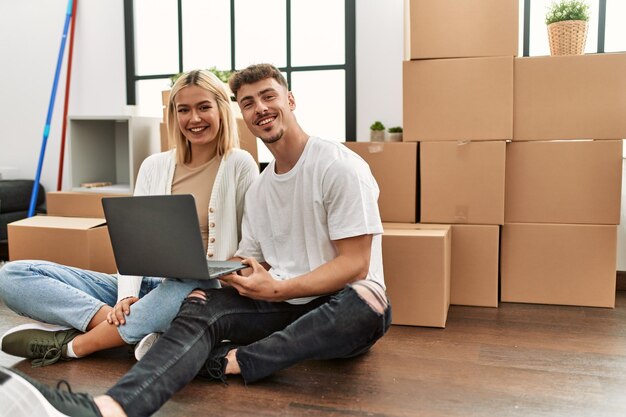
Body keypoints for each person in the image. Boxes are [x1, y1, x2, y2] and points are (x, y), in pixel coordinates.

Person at [0, 63, 391, 417]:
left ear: (289, 99)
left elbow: (355, 265)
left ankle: (92, 347)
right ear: (241, 111)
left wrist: (273, 286)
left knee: (364, 301)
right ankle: (111, 404)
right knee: (196, 301)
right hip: (231, 294)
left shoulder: (332, 167)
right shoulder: (259, 186)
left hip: (323, 301)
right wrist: (244, 277)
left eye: (269, 97)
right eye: (249, 102)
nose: (261, 109)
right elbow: (249, 256)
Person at [0, 69, 258, 366]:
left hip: (198, 290)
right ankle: (127, 328)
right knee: (13, 275)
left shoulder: (240, 164)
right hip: (149, 284)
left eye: (203, 107)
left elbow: (250, 243)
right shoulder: (154, 166)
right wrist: (125, 298)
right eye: (183, 110)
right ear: (174, 116)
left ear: (221, 110)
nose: (194, 119)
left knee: (193, 283)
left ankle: (74, 345)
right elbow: (135, 246)